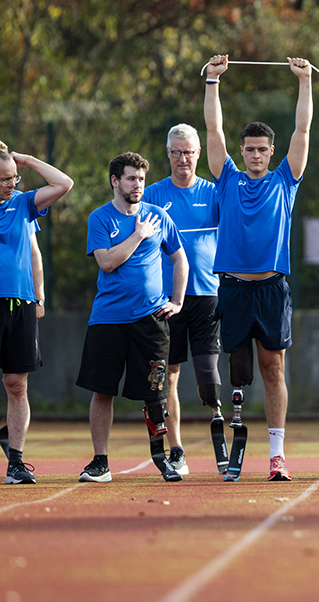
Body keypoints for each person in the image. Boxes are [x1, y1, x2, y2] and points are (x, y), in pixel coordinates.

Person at [203, 54, 313, 482]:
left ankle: (277, 455)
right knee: (237, 371)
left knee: (273, 369)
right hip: (232, 288)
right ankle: (233, 435)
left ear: (270, 152)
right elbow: (213, 129)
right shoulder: (227, 179)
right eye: (248, 149)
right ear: (242, 151)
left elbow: (302, 130)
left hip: (270, 289)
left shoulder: (285, 179)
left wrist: (304, 81)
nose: (254, 155)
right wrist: (213, 80)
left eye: (261, 150)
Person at [77, 152, 187, 483]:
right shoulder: (100, 218)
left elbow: (180, 260)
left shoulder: (158, 216)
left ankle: (162, 458)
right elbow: (108, 262)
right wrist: (139, 234)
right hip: (108, 320)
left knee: (155, 394)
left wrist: (177, 302)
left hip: (150, 321)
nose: (137, 184)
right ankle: (100, 463)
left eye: (141, 179)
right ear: (115, 181)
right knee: (102, 391)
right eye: (131, 178)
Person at [143, 123, 224, 477]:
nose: (182, 159)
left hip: (207, 295)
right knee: (170, 375)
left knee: (208, 374)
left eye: (188, 152)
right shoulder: (153, 195)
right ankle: (176, 450)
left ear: (198, 153)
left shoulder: (214, 193)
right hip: (165, 299)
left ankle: (220, 427)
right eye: (176, 152)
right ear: (168, 154)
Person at [0, 146, 72, 485]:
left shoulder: (23, 204)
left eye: (13, 178)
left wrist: (27, 160)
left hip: (20, 304)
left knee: (17, 384)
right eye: (3, 179)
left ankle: (15, 462)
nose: (10, 184)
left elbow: (64, 184)